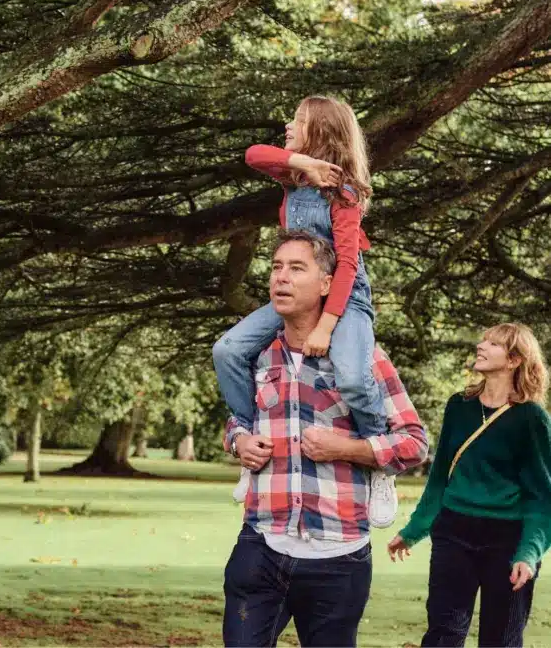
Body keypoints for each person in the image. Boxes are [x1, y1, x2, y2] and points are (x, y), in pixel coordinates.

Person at [223, 229, 428, 648]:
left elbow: (413, 442)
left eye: (297, 268)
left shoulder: (364, 358)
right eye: (276, 267)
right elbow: (238, 421)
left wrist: (349, 449)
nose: (281, 277)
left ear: (326, 285)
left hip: (340, 557)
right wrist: (239, 441)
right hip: (261, 545)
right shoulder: (257, 356)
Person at [212, 95, 397, 527]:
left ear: (322, 131)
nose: (287, 126)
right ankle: (248, 437)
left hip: (346, 298)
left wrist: (327, 325)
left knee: (352, 376)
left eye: (297, 121)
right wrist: (304, 163)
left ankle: (380, 462)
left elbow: (348, 264)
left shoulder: (345, 192)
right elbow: (253, 155)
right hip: (300, 290)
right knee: (227, 350)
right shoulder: (293, 179)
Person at [388, 323, 551, 647]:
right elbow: (439, 481)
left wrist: (528, 554)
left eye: (493, 344)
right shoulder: (459, 405)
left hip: (506, 537)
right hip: (454, 531)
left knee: (501, 639)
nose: (481, 345)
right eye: (483, 340)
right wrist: (413, 531)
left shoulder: (531, 418)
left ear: (514, 360)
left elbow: (541, 498)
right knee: (442, 634)